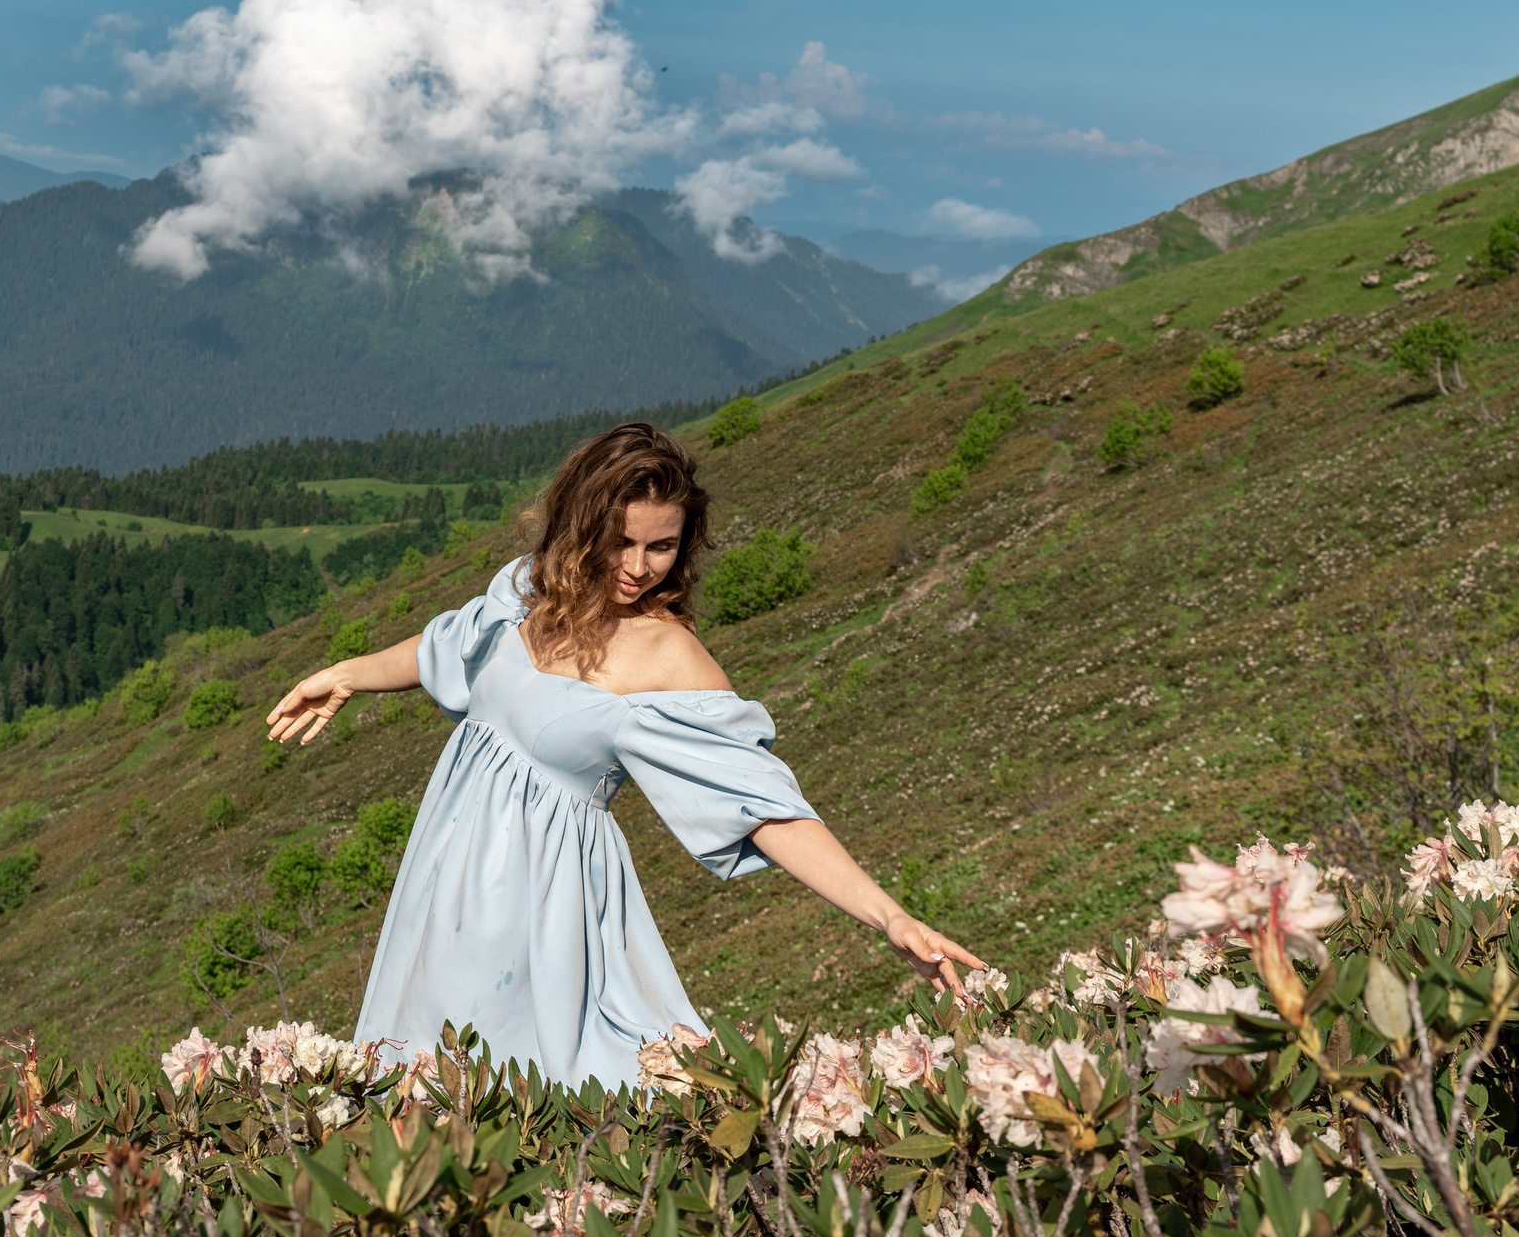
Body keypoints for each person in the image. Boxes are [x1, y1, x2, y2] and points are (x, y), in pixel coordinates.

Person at [266, 421, 985, 1089]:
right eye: (620, 541)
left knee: (504, 1088)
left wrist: (888, 915)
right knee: (416, 1077)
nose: (637, 567)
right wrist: (348, 675)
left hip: (534, 905)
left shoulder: (670, 657)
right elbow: (448, 646)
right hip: (438, 880)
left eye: (661, 546)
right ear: (580, 526)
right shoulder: (529, 589)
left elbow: (761, 805)